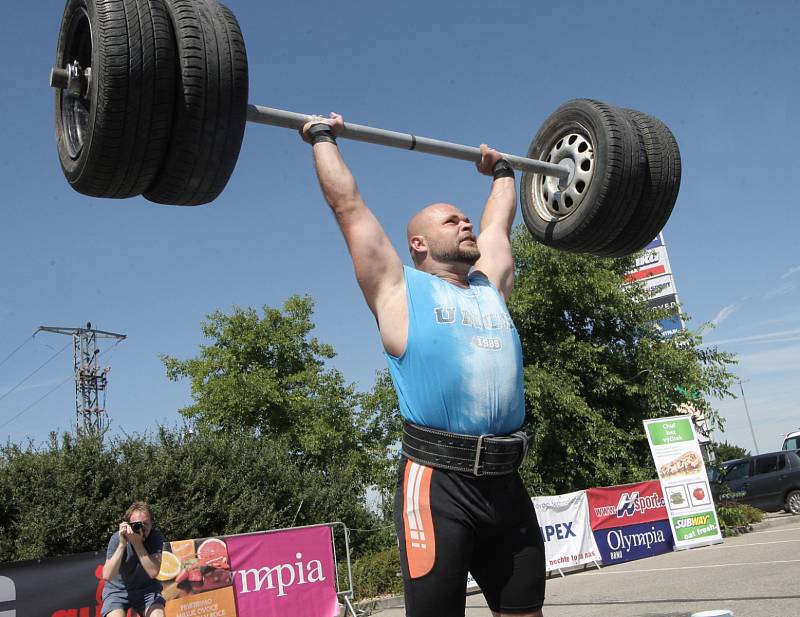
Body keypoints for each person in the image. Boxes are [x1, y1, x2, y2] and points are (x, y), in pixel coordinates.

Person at [301, 114, 545, 617]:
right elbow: (348, 207)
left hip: (507, 481)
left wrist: (502, 173)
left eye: (464, 218)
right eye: (451, 220)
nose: (465, 223)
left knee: (525, 613)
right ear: (417, 243)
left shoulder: (489, 287)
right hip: (437, 486)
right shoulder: (398, 291)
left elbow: (499, 221)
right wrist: (322, 138)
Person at [101, 501, 165, 617]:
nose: (142, 528)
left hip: (147, 589)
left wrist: (137, 544)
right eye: (137, 525)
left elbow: (153, 572)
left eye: (146, 524)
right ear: (128, 525)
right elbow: (107, 576)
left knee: (158, 615)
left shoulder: (155, 536)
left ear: (152, 523)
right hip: (118, 590)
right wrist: (122, 544)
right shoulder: (117, 538)